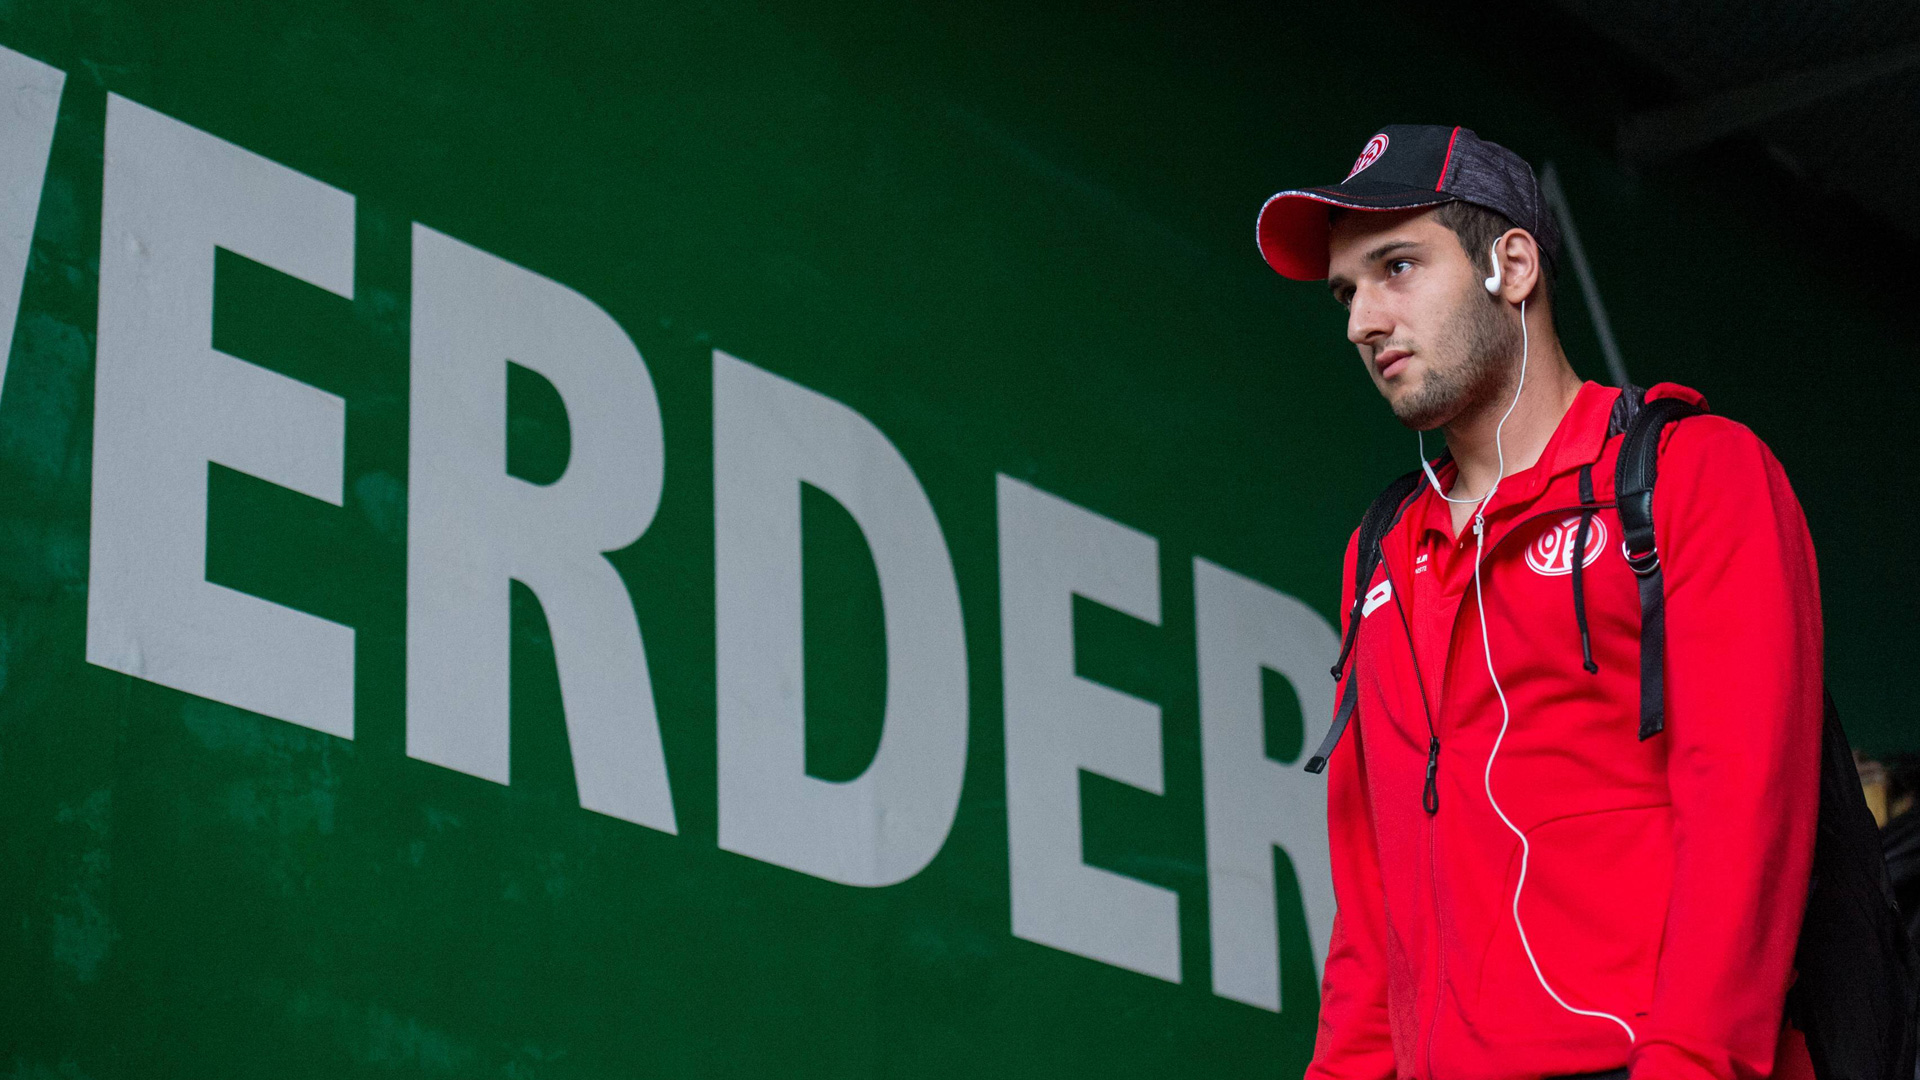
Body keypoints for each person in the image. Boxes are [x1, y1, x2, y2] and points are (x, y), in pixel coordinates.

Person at [1255, 125, 1823, 1080]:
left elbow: (1747, 815)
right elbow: (1372, 895)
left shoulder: (1692, 473)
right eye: (1348, 293)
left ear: (1511, 265)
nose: (1361, 322)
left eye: (1397, 267)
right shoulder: (1380, 552)